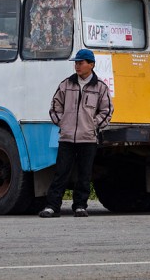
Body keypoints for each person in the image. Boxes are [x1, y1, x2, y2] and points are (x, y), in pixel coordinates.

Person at [39, 49, 113, 218]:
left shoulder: (100, 87)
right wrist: (63, 123)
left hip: (88, 139)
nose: (77, 66)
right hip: (66, 138)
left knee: (84, 174)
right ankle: (52, 207)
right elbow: (55, 106)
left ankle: (80, 206)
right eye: (76, 63)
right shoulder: (66, 84)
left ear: (91, 65)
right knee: (61, 173)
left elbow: (107, 111)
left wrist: (92, 126)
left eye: (81, 63)